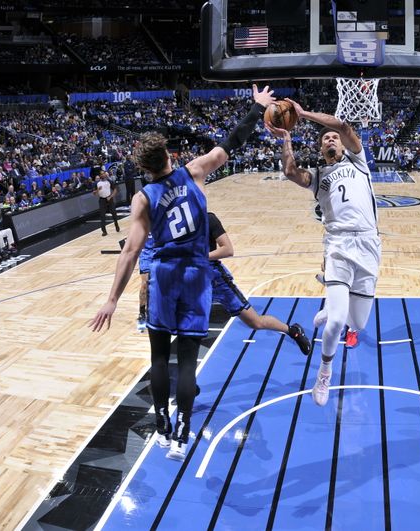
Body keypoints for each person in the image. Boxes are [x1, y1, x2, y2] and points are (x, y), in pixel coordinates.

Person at [91, 84, 275, 460]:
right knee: (189, 360)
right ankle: (183, 433)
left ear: (144, 168)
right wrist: (257, 109)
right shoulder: (195, 172)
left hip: (164, 277)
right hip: (196, 274)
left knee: (160, 358)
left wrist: (111, 299)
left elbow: (130, 252)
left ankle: (161, 428)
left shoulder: (143, 199)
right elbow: (231, 142)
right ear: (170, 156)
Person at [267, 98, 381, 407]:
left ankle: (333, 306)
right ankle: (325, 371)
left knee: (357, 324)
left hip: (369, 245)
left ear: (343, 146)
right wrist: (287, 139)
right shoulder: (318, 177)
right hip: (339, 247)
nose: (330, 139)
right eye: (324, 140)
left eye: (333, 138)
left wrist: (303, 114)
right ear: (321, 151)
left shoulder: (359, 163)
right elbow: (291, 171)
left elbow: (343, 126)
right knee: (334, 326)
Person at [207, 211, 311, 354]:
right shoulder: (171, 221)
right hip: (189, 280)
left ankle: (292, 330)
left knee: (255, 322)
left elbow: (228, 250)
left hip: (215, 279)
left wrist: (199, 257)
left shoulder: (208, 218)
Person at [93, 170, 120, 236]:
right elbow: (94, 193)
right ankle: (104, 231)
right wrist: (97, 190)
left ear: (105, 174)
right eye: (101, 174)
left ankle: (116, 225)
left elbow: (115, 190)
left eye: (104, 173)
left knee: (114, 213)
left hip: (109, 199)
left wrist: (110, 197)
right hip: (102, 200)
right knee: (102, 216)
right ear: (100, 175)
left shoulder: (109, 181)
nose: (103, 175)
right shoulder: (97, 183)